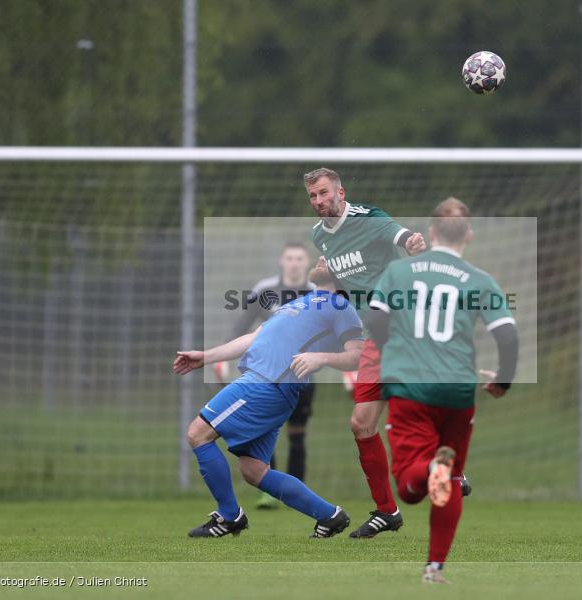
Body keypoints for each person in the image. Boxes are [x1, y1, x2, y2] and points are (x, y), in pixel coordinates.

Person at [365, 197, 519, 583]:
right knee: (450, 480)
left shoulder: (399, 273)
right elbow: (508, 335)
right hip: (457, 390)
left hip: (411, 387)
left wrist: (392, 351)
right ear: (468, 234)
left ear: (431, 232)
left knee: (410, 488)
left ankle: (432, 467)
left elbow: (375, 318)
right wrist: (503, 379)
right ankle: (434, 568)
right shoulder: (479, 279)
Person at [173, 262, 363, 539]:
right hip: (269, 386)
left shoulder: (340, 306)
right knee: (254, 471)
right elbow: (254, 337)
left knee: (197, 434)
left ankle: (229, 517)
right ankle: (329, 516)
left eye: (327, 259)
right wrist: (206, 356)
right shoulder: (304, 301)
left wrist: (321, 358)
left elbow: (358, 354)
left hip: (265, 384)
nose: (319, 260)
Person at [305, 167, 426, 538]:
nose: (319, 201)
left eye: (325, 193)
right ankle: (387, 512)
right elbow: (346, 283)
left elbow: (401, 235)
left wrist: (413, 241)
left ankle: (449, 465)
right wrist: (322, 278)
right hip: (373, 335)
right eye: (313, 196)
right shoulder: (318, 237)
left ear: (341, 192)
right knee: (361, 424)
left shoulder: (369, 219)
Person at [224, 242, 317, 509]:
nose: (294, 263)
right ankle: (269, 491)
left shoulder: (317, 294)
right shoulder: (265, 291)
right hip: (266, 375)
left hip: (302, 375)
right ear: (282, 261)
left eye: (299, 258)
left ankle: (296, 492)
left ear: (306, 261)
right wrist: (224, 358)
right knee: (266, 430)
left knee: (297, 433)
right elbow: (242, 326)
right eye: (290, 258)